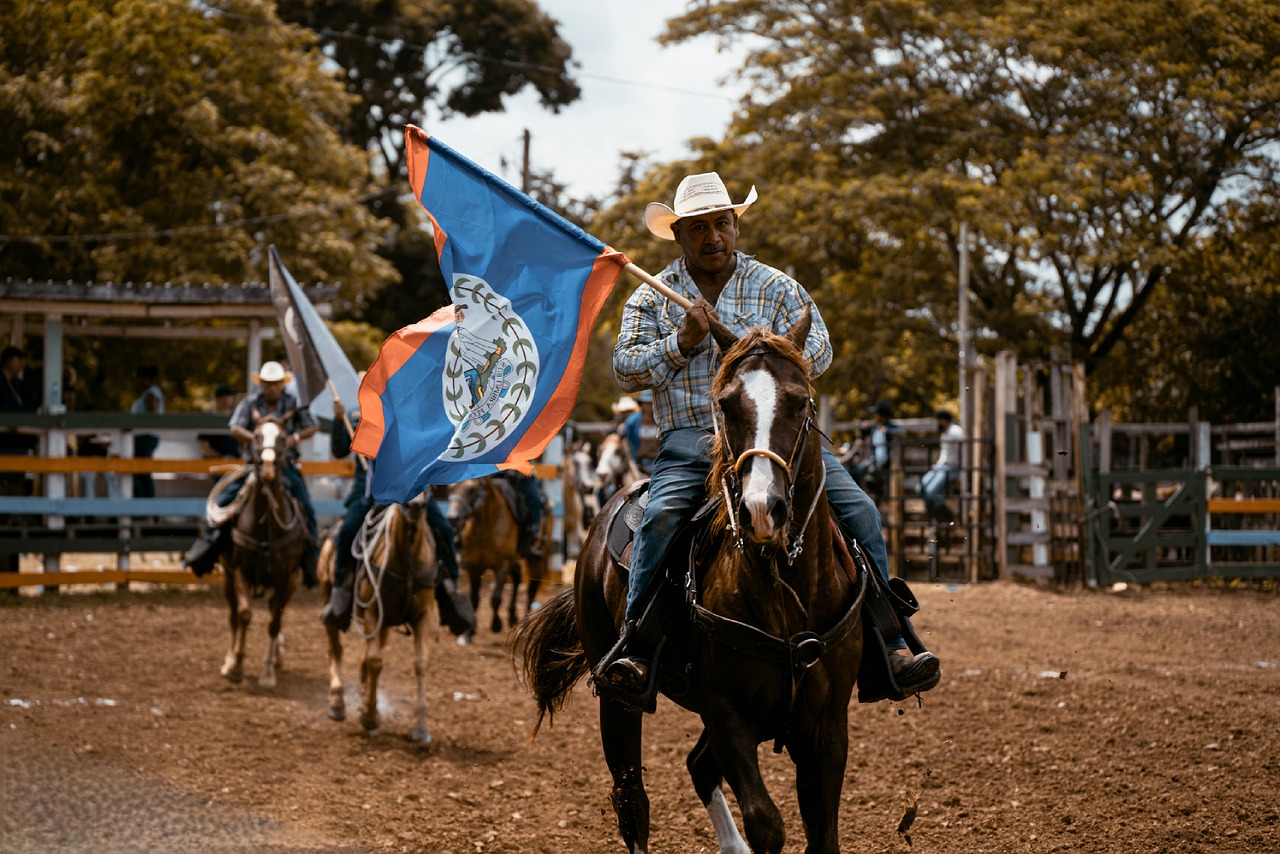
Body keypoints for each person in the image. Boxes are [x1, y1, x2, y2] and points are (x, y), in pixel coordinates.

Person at [604, 171, 939, 696]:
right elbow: (625, 369)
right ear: (679, 235)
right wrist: (681, 341)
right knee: (663, 516)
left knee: (862, 512)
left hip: (779, 437)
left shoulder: (779, 287)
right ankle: (637, 647)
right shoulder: (654, 298)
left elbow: (821, 352)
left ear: (735, 224)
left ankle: (891, 641)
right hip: (694, 438)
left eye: (722, 223)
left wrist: (769, 353)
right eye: (698, 228)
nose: (713, 236)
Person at [320, 399, 465, 629]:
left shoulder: (413, 415)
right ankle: (341, 589)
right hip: (370, 493)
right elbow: (339, 450)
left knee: (444, 530)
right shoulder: (359, 415)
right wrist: (339, 421)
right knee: (347, 531)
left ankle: (450, 592)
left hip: (412, 490)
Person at [181, 361, 319, 586]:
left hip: (285, 465)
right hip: (253, 465)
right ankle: (207, 547)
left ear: (281, 384)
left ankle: (312, 554)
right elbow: (234, 428)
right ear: (261, 384)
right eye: (267, 384)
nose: (271, 388)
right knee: (224, 502)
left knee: (306, 506)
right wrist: (256, 438)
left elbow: (312, 426)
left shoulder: (292, 402)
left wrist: (293, 438)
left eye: (275, 384)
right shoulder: (250, 402)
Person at [918, 409, 964, 528]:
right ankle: (935, 514)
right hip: (941, 465)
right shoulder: (945, 432)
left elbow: (962, 449)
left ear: (943, 420)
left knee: (931, 491)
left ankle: (947, 517)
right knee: (920, 488)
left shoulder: (955, 431)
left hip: (952, 466)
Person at [129, 365, 164, 499]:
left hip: (145, 437)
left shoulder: (151, 393)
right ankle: (146, 505)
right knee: (142, 471)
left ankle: (145, 504)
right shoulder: (147, 393)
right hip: (143, 437)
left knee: (139, 471)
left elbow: (151, 416)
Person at [851, 400, 895, 502]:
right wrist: (863, 426)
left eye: (877, 414)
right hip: (872, 459)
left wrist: (887, 431)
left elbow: (898, 431)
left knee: (875, 471)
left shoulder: (889, 427)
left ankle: (877, 495)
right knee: (857, 470)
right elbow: (863, 432)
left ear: (882, 415)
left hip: (884, 461)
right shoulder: (874, 426)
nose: (875, 416)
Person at [197, 384, 241, 460]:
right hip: (214, 463)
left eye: (231, 396)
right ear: (219, 399)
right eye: (228, 396)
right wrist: (221, 458)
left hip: (236, 463)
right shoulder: (209, 418)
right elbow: (204, 446)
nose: (231, 398)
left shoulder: (236, 416)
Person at [622, 389, 660, 475]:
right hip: (639, 462)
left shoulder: (661, 420)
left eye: (650, 403)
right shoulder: (632, 421)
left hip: (659, 461)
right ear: (641, 404)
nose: (648, 406)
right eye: (645, 403)